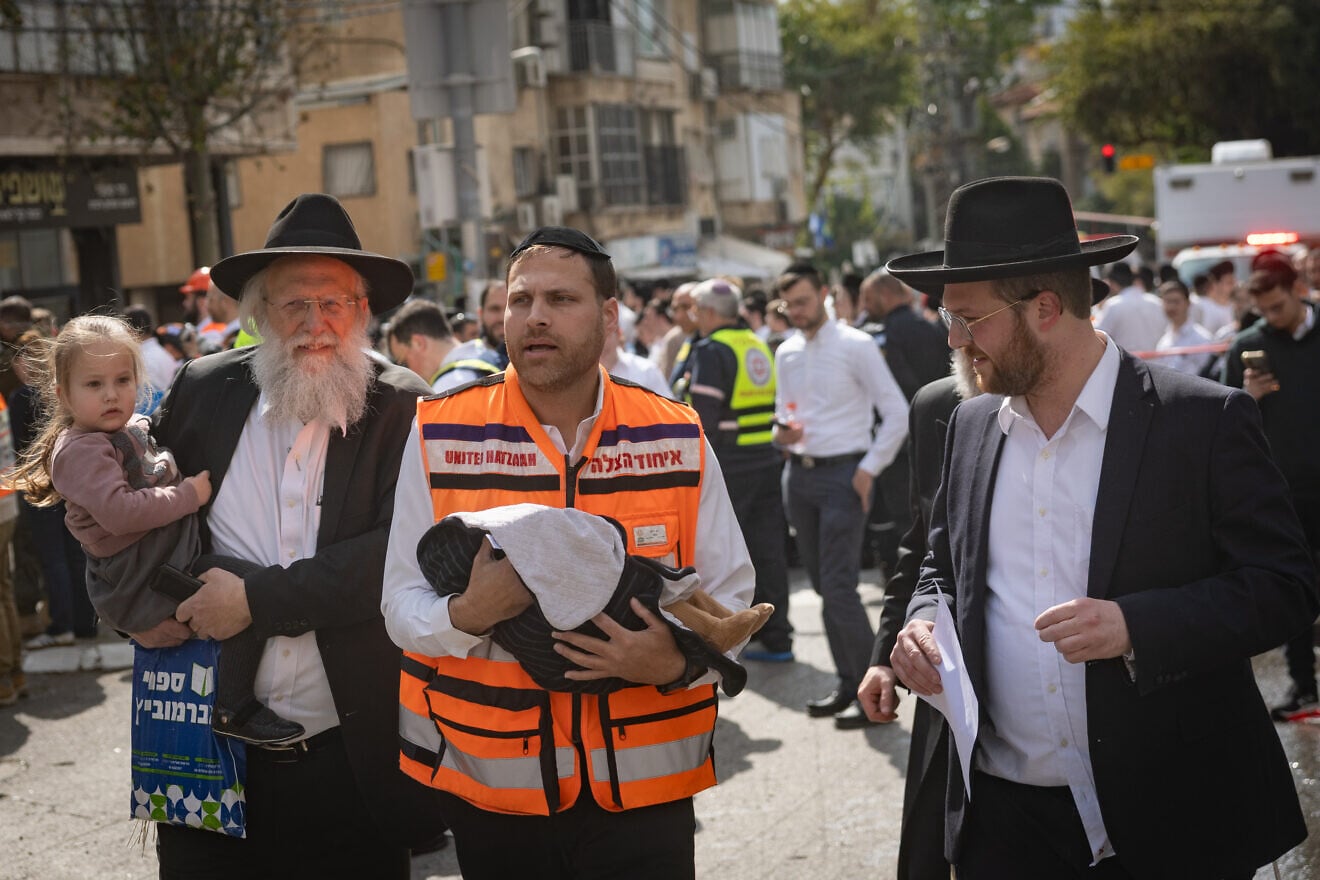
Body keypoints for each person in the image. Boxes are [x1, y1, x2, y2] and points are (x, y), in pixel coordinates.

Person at [886, 176, 1317, 878]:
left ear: (1047, 308)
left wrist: (1135, 626)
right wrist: (923, 620)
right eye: (948, 321)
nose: (958, 342)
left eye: (971, 320)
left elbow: (1285, 589)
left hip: (1167, 817)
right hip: (1005, 821)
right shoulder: (966, 424)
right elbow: (943, 562)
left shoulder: (1201, 421)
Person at [383, 226, 754, 879]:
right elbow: (398, 604)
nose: (536, 317)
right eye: (519, 300)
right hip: (495, 789)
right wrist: (466, 614)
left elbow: (733, 599)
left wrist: (673, 661)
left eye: (561, 298)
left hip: (647, 791)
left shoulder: (677, 433)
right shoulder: (440, 433)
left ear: (609, 316)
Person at [148, 193, 446, 876]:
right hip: (205, 755)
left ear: (363, 311)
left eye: (335, 303)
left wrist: (255, 600)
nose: (317, 325)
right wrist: (129, 605)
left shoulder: (406, 406)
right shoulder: (200, 391)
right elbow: (149, 523)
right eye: (294, 305)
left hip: (350, 758)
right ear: (258, 314)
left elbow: (404, 555)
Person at [6, 314, 305, 745]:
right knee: (249, 590)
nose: (112, 395)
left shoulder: (126, 430)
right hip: (148, 579)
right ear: (63, 395)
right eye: (94, 385)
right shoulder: (80, 451)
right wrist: (189, 495)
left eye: (122, 380)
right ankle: (234, 707)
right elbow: (121, 513)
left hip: (161, 567)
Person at [773, 261, 908, 728]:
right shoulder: (786, 351)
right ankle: (849, 681)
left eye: (804, 301)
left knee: (839, 588)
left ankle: (876, 690)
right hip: (801, 476)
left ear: (826, 294)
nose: (797, 311)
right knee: (824, 587)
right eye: (789, 304)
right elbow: (783, 414)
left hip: (844, 476)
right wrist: (781, 436)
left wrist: (868, 470)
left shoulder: (856, 345)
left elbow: (897, 412)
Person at [1222, 252, 1320, 721]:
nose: (1271, 318)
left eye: (1278, 307)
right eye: (1263, 311)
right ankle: (1304, 686)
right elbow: (1222, 424)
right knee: (1295, 590)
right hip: (1283, 492)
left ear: (1297, 289)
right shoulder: (1247, 345)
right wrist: (1248, 398)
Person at [685, 278, 794, 663]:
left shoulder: (712, 350)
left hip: (730, 465)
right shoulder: (755, 343)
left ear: (711, 313)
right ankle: (779, 636)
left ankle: (725, 637)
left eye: (697, 311)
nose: (695, 319)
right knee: (769, 550)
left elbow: (702, 418)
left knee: (724, 558)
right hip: (764, 457)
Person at [386, 298, 499, 393]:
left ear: (419, 343)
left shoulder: (448, 387)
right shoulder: (488, 354)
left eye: (404, 363)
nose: (407, 371)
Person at [1094, 262, 1164, 352]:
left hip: (1128, 363)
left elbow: (1099, 335)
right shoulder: (1156, 302)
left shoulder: (1113, 305)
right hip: (1157, 361)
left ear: (1112, 283)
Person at [1153, 279, 1215, 375]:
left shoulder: (1202, 339)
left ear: (1187, 303)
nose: (1172, 307)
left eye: (1176, 301)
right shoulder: (1164, 341)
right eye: (1167, 301)